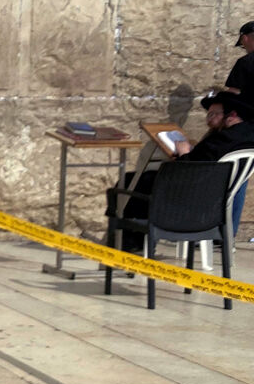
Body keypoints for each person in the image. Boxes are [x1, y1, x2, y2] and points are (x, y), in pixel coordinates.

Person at [108, 91, 254, 250]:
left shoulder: (222, 139)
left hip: (190, 205)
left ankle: (131, 244)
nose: (209, 120)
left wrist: (184, 153)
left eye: (214, 114)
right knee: (145, 180)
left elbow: (188, 173)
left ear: (231, 115)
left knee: (132, 182)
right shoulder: (247, 136)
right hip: (214, 207)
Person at [223, 21, 254, 96]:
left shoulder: (245, 62)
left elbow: (234, 93)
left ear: (244, 38)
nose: (245, 49)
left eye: (242, 46)